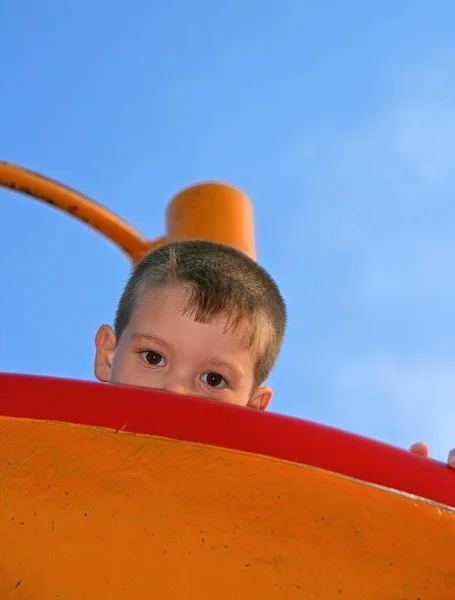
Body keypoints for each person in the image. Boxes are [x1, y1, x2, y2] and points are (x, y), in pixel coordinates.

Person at [94, 240, 455, 468]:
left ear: (254, 408)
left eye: (213, 379)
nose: (175, 393)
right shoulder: (47, 454)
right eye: (153, 357)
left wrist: (414, 500)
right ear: (108, 354)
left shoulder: (270, 500)